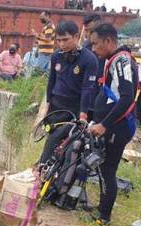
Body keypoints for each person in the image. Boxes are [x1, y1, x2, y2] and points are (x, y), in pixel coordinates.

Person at [88, 23, 139, 225]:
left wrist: (104, 125)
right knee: (102, 168)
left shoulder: (121, 61)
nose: (93, 49)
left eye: (95, 44)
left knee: (108, 169)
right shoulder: (114, 59)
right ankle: (102, 207)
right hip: (112, 123)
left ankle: (104, 216)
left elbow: (126, 98)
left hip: (118, 126)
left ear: (108, 41)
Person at [39, 20, 98, 164]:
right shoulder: (56, 56)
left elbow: (87, 89)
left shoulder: (89, 59)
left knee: (68, 142)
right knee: (52, 137)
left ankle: (45, 167)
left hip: (75, 107)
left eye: (65, 40)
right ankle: (47, 167)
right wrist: (47, 105)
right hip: (56, 105)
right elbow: (51, 82)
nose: (61, 44)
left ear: (76, 36)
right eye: (58, 40)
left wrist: (83, 114)